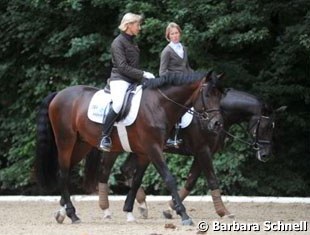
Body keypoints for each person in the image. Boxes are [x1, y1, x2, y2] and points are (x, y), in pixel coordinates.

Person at [100, 13, 155, 152]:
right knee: (118, 104)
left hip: (133, 79)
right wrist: (143, 74)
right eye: (137, 24)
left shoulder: (132, 42)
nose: (139, 28)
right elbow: (123, 67)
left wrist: (143, 78)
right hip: (120, 79)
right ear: (129, 25)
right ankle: (104, 136)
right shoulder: (117, 43)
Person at [159, 22, 193, 147]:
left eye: (176, 33)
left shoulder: (184, 48)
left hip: (185, 82)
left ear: (180, 33)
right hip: (173, 84)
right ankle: (173, 135)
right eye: (172, 34)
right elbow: (162, 72)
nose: (175, 36)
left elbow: (187, 67)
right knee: (178, 105)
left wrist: (198, 77)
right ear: (168, 36)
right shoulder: (166, 51)